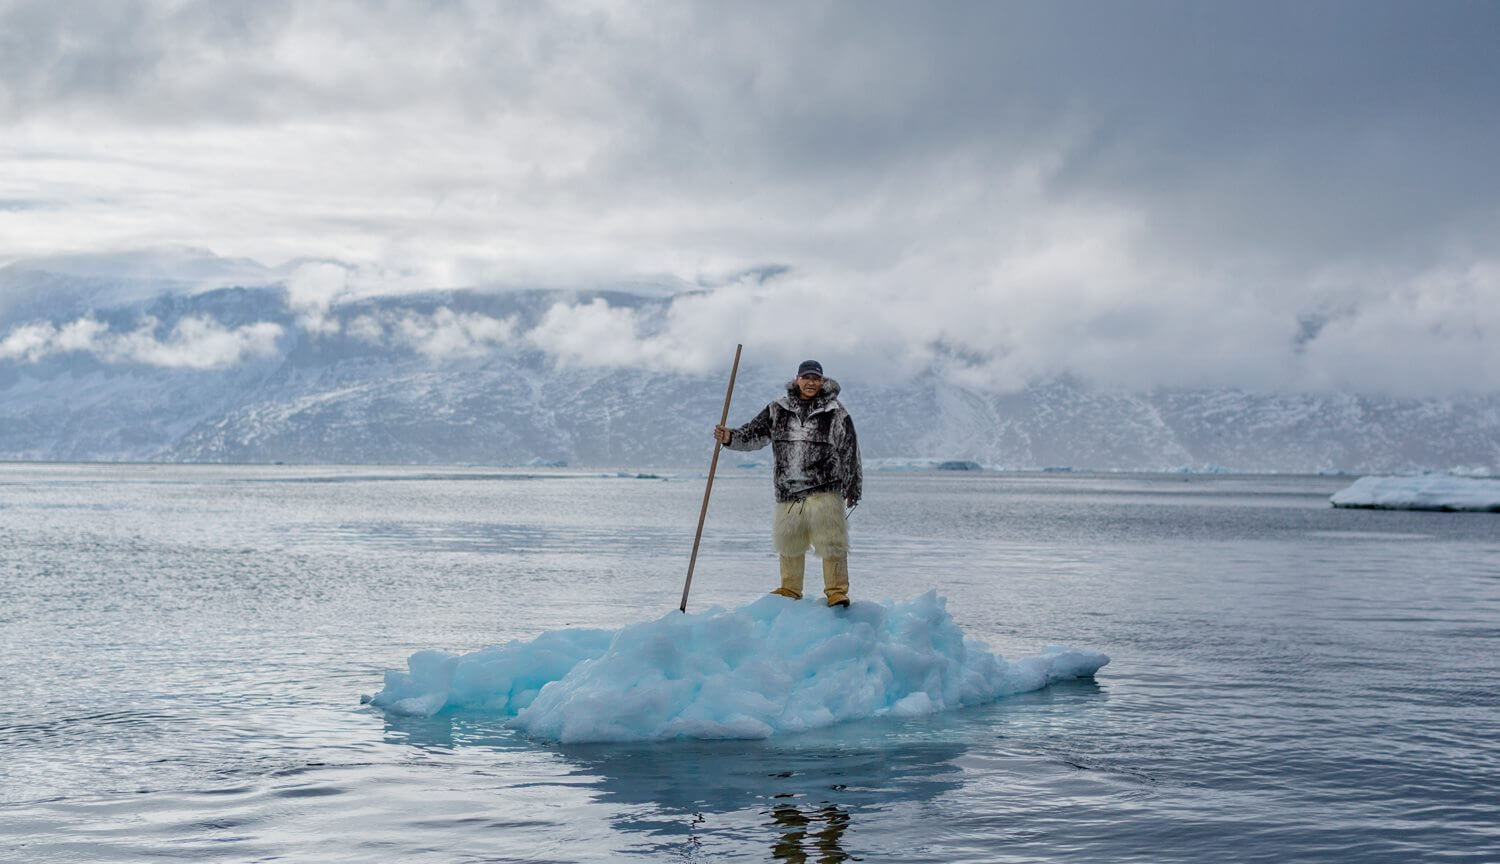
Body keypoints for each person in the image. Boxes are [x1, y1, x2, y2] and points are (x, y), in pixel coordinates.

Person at [714, 360, 862, 607]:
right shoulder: (777, 409)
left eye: (816, 378)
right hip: (788, 490)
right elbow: (753, 434)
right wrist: (729, 437)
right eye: (807, 378)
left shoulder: (836, 412)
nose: (811, 382)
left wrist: (853, 486)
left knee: (832, 542)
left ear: (823, 381)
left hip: (825, 488)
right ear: (797, 380)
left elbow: (850, 451)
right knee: (789, 543)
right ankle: (790, 588)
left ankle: (837, 591)